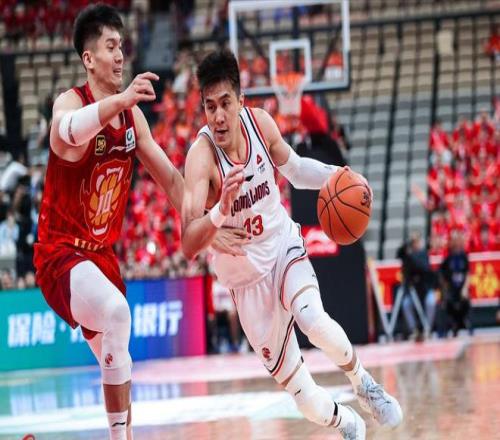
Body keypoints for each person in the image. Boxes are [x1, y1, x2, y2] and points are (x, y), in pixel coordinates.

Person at [33, 6, 245, 440]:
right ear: (88, 58)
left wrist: (207, 226)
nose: (119, 55)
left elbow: (172, 180)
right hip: (60, 253)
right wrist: (121, 99)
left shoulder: (132, 118)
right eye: (110, 46)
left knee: (119, 366)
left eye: (121, 46)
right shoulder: (71, 102)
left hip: (100, 259)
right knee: (117, 313)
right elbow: (67, 133)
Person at [181, 49, 403, 440]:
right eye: (210, 106)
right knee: (304, 398)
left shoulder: (260, 124)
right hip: (246, 281)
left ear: (240, 101)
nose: (218, 116)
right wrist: (219, 213)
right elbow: (187, 241)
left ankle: (363, 383)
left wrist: (341, 176)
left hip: (282, 246)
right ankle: (347, 423)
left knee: (313, 319)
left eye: (225, 103)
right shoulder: (201, 157)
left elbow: (297, 170)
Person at [439, 231, 472, 336]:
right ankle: (452, 326)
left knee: (465, 300)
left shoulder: (464, 256)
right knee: (448, 301)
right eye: (454, 241)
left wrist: (465, 288)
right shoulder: (447, 257)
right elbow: (441, 274)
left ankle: (466, 324)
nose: (456, 243)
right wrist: (446, 288)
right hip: (451, 289)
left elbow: (468, 273)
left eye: (458, 240)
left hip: (461, 288)